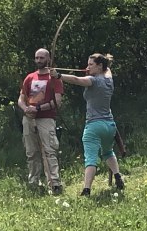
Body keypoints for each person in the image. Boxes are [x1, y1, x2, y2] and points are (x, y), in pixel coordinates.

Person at [52, 53, 124, 196]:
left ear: (100, 66)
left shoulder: (93, 80)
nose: (87, 67)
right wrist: (94, 68)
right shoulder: (109, 79)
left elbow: (76, 79)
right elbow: (107, 70)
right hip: (110, 126)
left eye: (91, 64)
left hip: (94, 126)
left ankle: (86, 190)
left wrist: (58, 75)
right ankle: (118, 177)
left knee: (90, 158)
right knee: (108, 152)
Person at [17, 48, 64, 195]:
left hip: (46, 119)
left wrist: (38, 108)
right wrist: (25, 109)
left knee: (49, 151)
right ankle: (34, 182)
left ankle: (55, 183)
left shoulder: (54, 78)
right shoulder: (30, 77)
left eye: (42, 58)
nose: (39, 61)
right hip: (29, 119)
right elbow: (21, 98)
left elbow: (57, 101)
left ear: (48, 59)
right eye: (37, 58)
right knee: (31, 152)